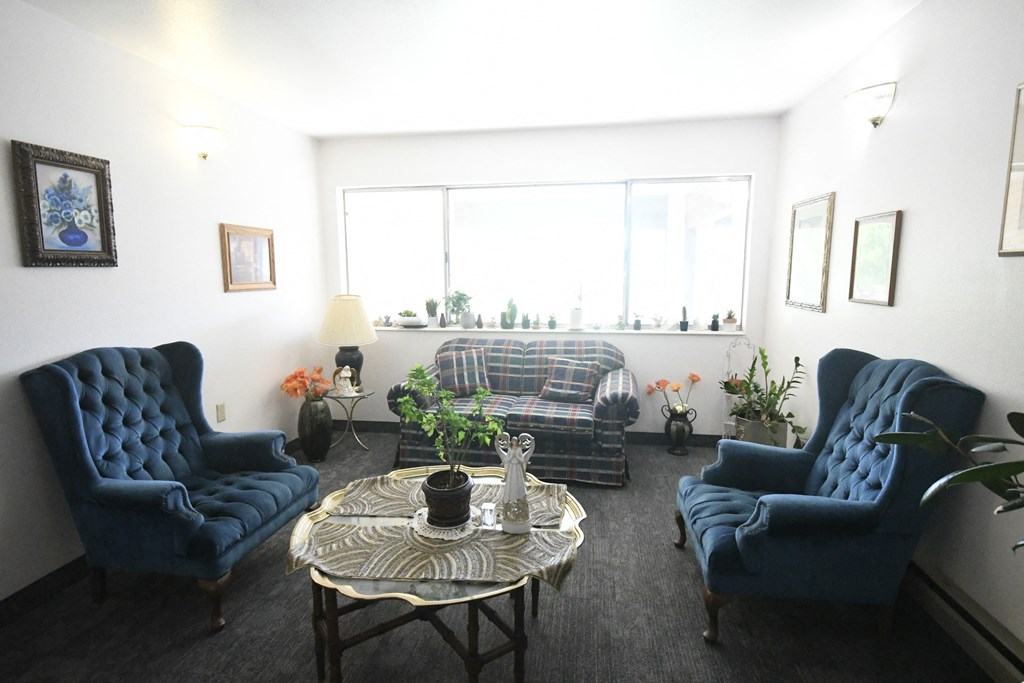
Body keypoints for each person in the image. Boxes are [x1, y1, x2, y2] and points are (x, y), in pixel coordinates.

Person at [495, 432, 534, 534]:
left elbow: (522, 460)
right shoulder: (509, 449)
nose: (514, 443)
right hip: (511, 469)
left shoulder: (520, 450)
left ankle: (521, 514)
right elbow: (507, 460)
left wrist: (516, 456)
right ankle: (509, 515)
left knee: (519, 487)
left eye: (515, 441)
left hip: (517, 469)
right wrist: (512, 456)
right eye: (513, 442)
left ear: (517, 442)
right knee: (510, 487)